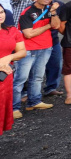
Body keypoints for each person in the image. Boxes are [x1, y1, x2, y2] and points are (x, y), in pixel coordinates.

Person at [13, 0, 59, 118]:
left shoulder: (49, 9)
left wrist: (53, 13)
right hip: (28, 49)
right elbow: (29, 34)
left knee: (38, 77)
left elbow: (56, 25)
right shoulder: (27, 12)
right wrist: (48, 25)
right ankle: (13, 108)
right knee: (20, 79)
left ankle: (34, 101)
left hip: (45, 47)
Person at [0, 7, 27, 136]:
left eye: (1, 12)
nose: (0, 15)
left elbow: (22, 52)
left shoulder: (12, 31)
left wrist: (9, 57)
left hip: (5, 78)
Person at [41, 0, 64, 97]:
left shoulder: (60, 4)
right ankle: (28, 92)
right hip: (37, 41)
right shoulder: (35, 6)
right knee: (35, 68)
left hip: (53, 39)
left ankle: (51, 87)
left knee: (56, 64)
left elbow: (64, 20)